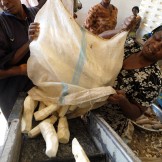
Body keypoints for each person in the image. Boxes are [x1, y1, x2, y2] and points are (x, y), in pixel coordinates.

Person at [94, 22, 162, 136]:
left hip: (107, 124)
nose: (155, 46)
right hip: (86, 106)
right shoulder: (130, 44)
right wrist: (121, 30)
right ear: (151, 35)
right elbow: (99, 39)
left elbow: (136, 114)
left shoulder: (154, 80)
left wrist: (123, 101)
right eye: (157, 39)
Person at [0, 0, 46, 120]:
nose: (4, 3)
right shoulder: (1, 24)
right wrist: (20, 70)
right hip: (14, 96)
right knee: (23, 130)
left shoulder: (37, 14)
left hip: (43, 89)